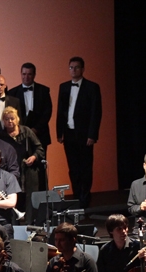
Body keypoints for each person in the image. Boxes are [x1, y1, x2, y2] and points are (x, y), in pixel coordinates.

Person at [56, 57, 102, 209]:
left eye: (76, 67)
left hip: (84, 134)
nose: (73, 70)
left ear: (82, 69)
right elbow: (61, 111)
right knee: (73, 168)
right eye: (71, 67)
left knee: (86, 167)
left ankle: (85, 198)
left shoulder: (92, 87)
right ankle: (76, 196)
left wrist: (92, 135)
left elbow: (96, 112)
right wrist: (59, 132)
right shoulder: (64, 87)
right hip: (69, 133)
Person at [1, 107, 44, 223]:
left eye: (12, 118)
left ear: (17, 119)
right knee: (12, 197)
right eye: (7, 119)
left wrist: (34, 157)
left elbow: (39, 148)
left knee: (30, 199)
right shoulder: (1, 136)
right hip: (11, 172)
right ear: (3, 121)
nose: (10, 121)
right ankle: (13, 226)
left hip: (29, 170)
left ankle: (30, 224)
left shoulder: (26, 131)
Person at [8, 63, 53, 153]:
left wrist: (36, 129)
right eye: (24, 74)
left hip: (40, 134)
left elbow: (47, 112)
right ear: (21, 74)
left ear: (34, 75)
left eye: (29, 74)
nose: (26, 77)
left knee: (40, 160)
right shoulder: (12, 93)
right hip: (20, 134)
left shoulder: (43, 90)